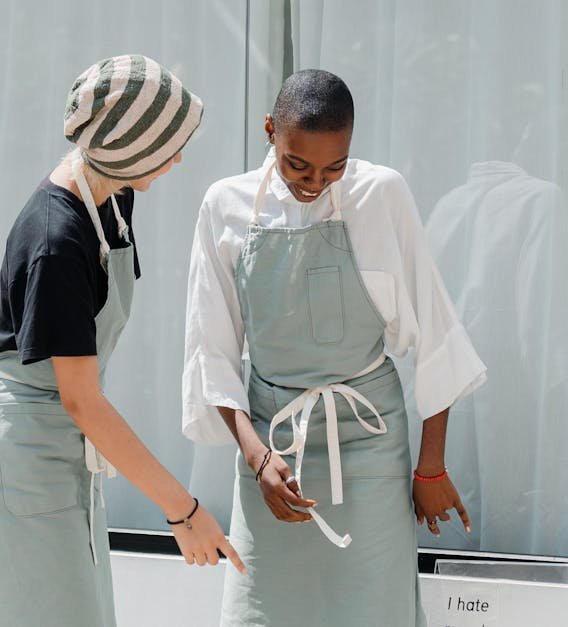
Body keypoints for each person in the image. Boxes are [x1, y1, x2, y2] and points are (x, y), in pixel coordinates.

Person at [181, 69, 487, 626]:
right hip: (271, 445)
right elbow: (213, 351)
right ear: (270, 130)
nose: (315, 181)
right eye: (297, 164)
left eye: (334, 166)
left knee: (373, 609)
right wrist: (256, 459)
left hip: (369, 447)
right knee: (262, 611)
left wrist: (432, 468)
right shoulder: (222, 205)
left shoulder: (381, 193)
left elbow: (436, 333)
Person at [0, 55, 243, 627]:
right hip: (21, 453)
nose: (178, 159)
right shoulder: (58, 240)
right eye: (167, 148)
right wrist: (184, 511)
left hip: (59, 446)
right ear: (129, 148)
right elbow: (82, 399)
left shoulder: (111, 197)